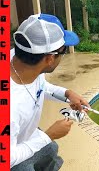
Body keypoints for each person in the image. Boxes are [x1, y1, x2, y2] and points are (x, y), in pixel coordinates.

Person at [10, 13, 90, 170]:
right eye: (63, 51)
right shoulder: (10, 107)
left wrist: (67, 94)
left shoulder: (19, 59)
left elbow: (40, 86)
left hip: (24, 135)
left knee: (51, 150)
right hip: (12, 154)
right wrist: (48, 135)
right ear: (50, 59)